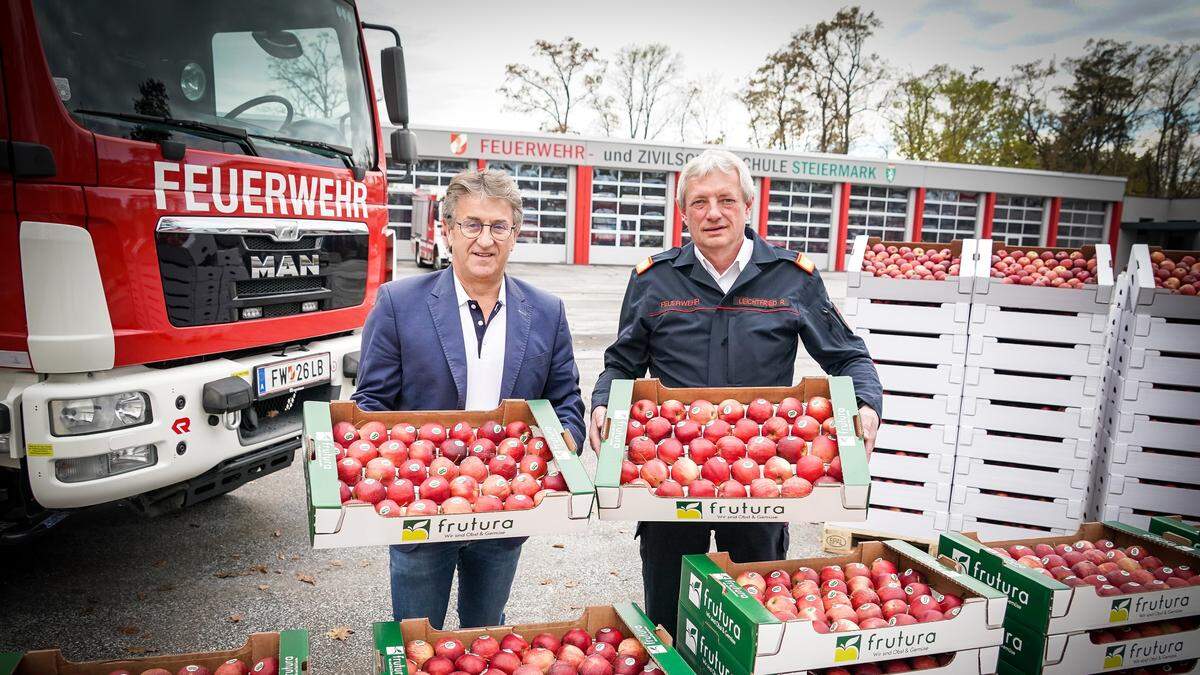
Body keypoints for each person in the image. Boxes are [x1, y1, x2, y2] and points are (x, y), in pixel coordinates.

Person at [588, 149, 882, 635]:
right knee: (667, 614)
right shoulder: (653, 279)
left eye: (726, 199)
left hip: (761, 476)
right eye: (699, 202)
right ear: (683, 214)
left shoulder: (793, 278)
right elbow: (622, 362)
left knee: (756, 618)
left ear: (749, 205)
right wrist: (604, 403)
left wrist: (866, 405)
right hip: (669, 475)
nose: (713, 213)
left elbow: (847, 356)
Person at [353, 168, 586, 628]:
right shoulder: (399, 305)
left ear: (515, 235)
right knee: (417, 637)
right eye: (471, 224)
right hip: (420, 506)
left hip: (505, 507)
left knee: (486, 635)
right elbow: (370, 407)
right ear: (447, 231)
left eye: (499, 226)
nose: (485, 240)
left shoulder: (545, 311)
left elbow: (567, 403)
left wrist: (563, 444)